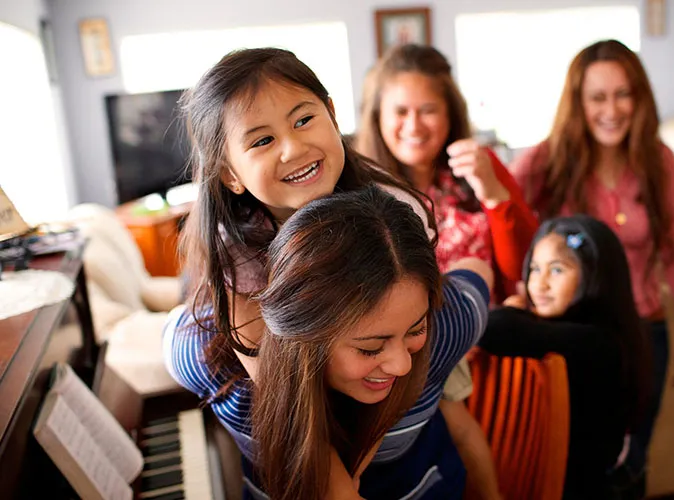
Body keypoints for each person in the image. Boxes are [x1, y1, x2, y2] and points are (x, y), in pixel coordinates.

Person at [163, 47, 497, 498]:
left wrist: (357, 461)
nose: (294, 148)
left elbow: (405, 374)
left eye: (303, 120)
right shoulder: (236, 253)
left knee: (444, 396)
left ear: (332, 115)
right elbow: (281, 388)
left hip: (402, 357)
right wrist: (335, 478)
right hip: (309, 396)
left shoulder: (396, 209)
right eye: (262, 141)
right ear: (229, 174)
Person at [166, 187, 492, 499]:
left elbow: (477, 270)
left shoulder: (446, 328)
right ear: (304, 335)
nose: (402, 364)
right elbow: (175, 329)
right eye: (370, 347)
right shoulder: (213, 362)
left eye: (415, 328)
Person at [508, 39, 674, 470]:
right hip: (570, 336)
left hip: (643, 333)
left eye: (623, 94)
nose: (611, 110)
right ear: (578, 103)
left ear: (640, 98)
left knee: (632, 460)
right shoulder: (545, 160)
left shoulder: (661, 162)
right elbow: (506, 223)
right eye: (597, 97)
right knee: (568, 465)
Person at [478, 215, 649, 499]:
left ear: (596, 275)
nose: (540, 283)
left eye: (557, 270)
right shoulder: (582, 330)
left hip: (604, 485)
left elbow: (495, 329)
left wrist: (513, 309)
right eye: (534, 269)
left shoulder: (598, 341)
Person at [356, 43, 538, 300]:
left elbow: (525, 268)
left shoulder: (483, 164)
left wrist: (493, 194)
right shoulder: (358, 186)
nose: (414, 126)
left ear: (450, 114)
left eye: (428, 111)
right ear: (377, 117)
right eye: (400, 112)